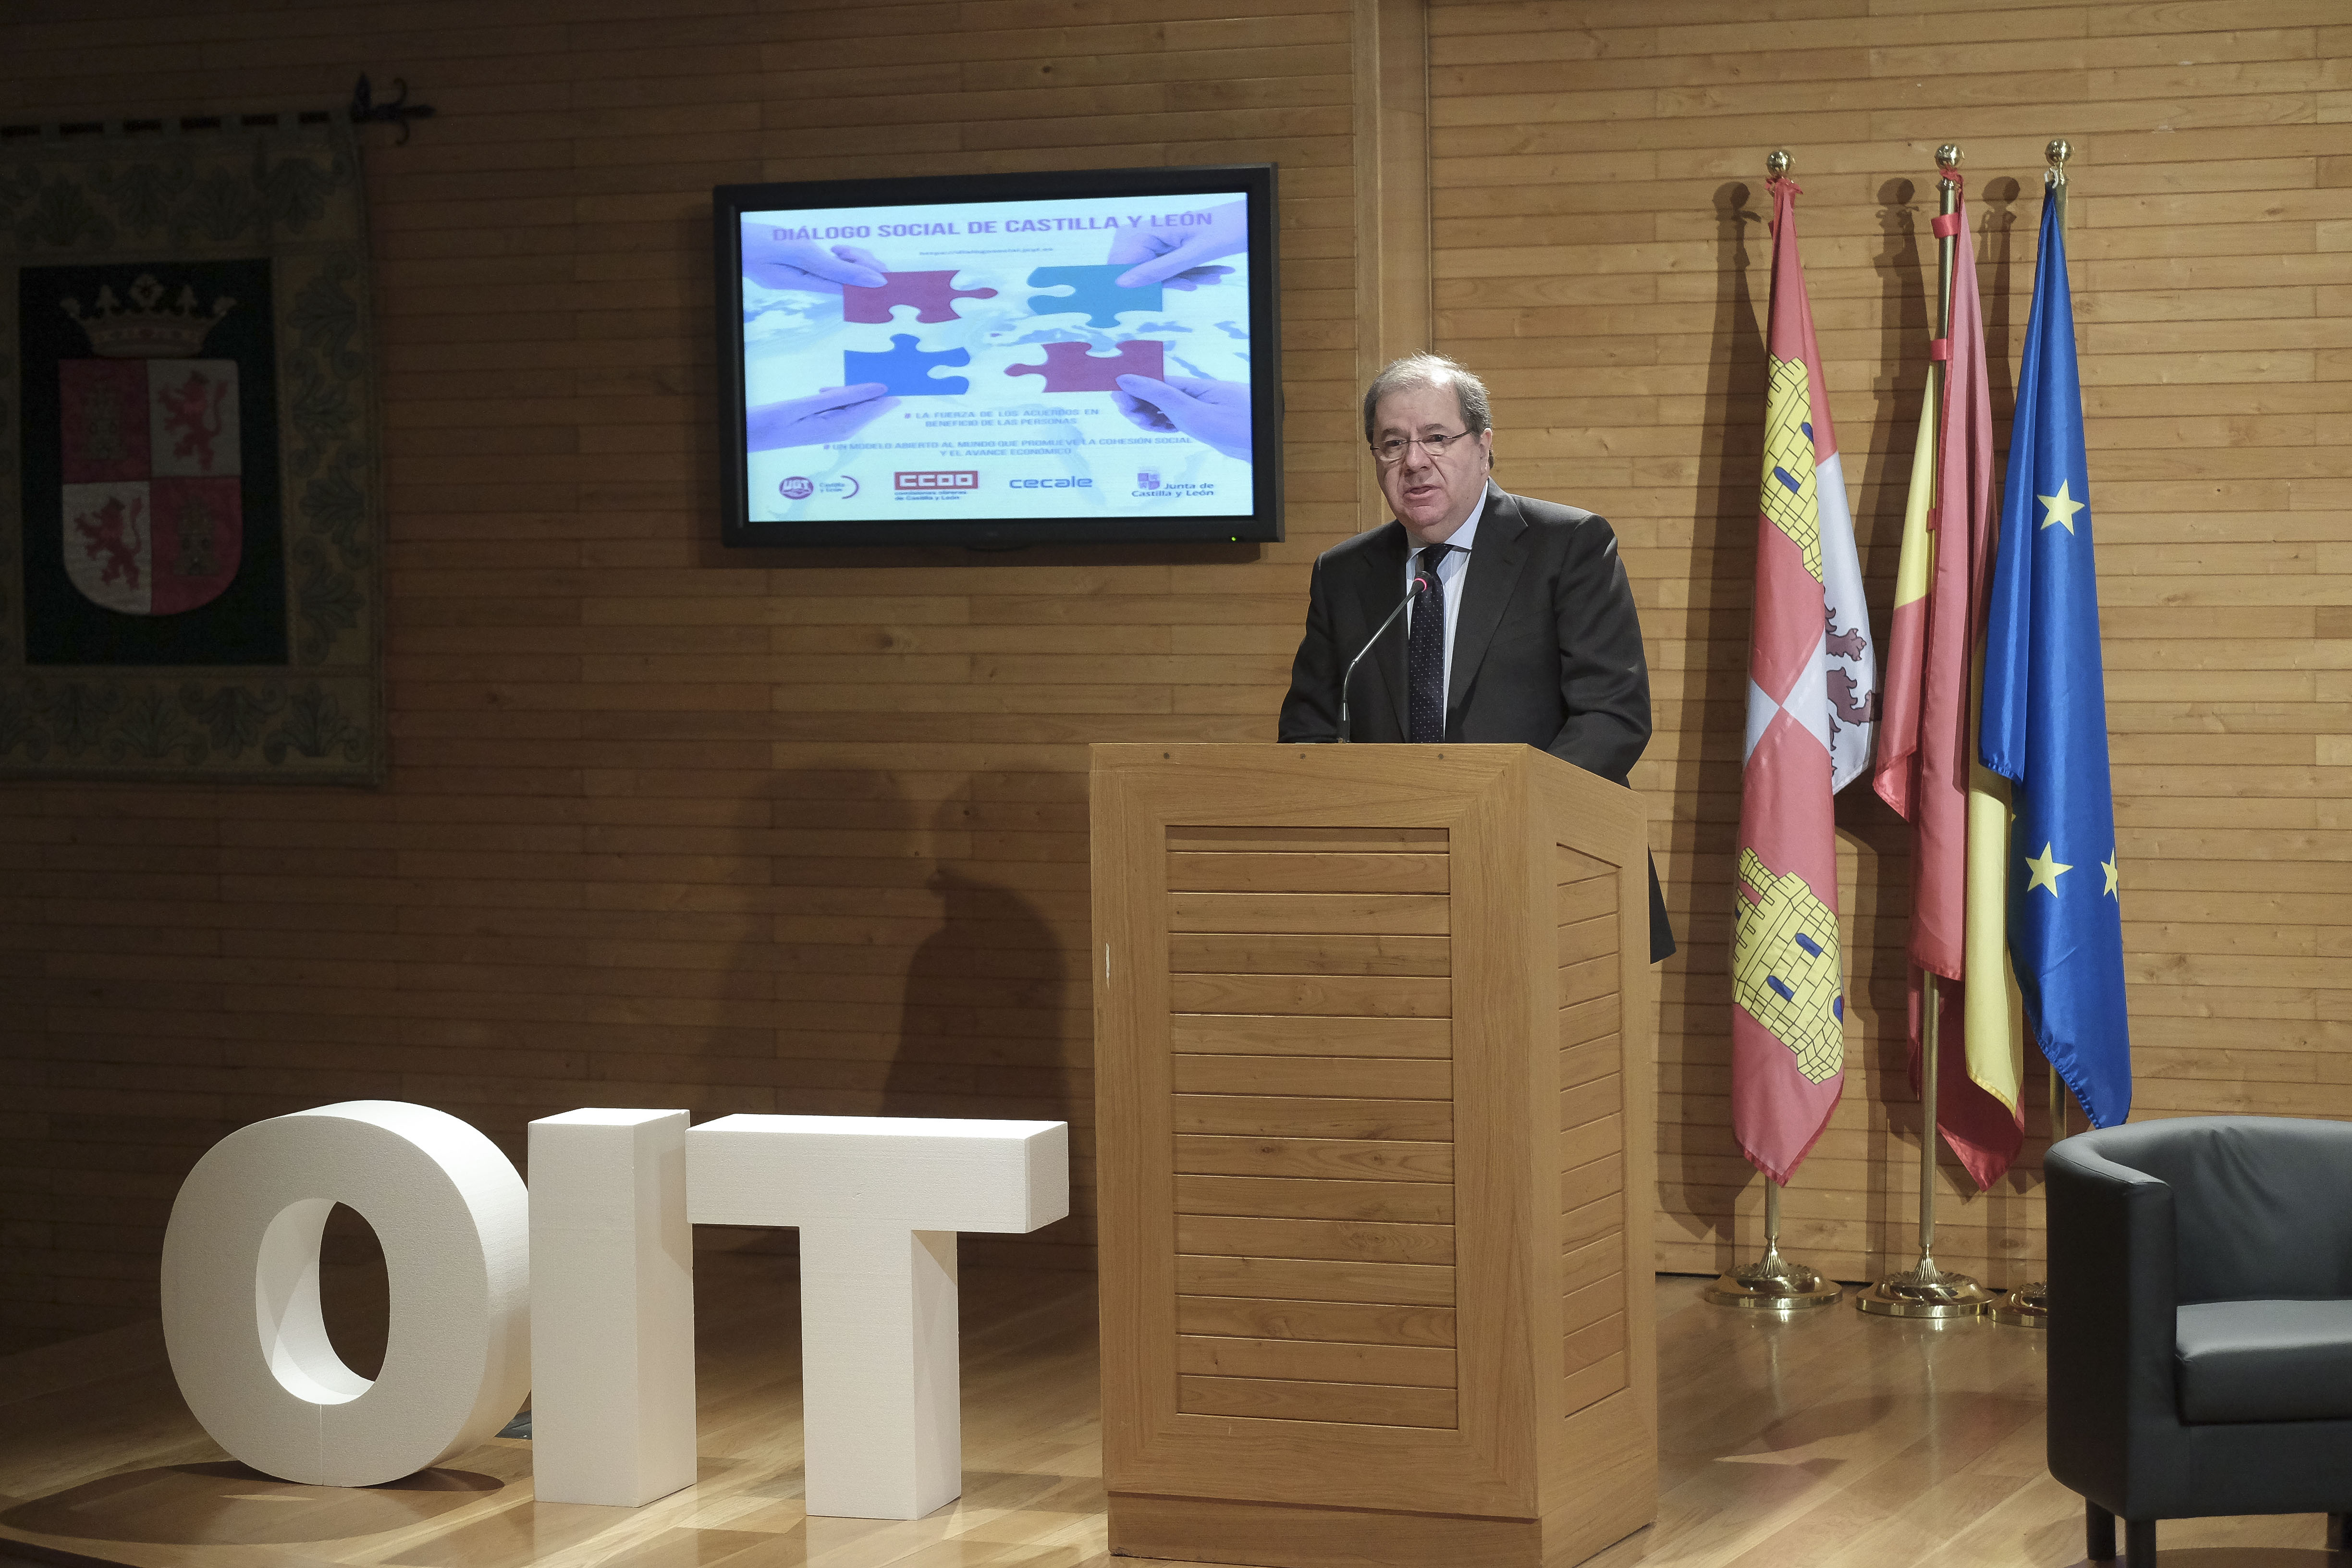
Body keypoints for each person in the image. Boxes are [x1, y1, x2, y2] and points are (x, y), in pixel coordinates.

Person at [1277, 354, 1673, 962]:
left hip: (1552, 874)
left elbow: (1613, 718)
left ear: (1484, 447)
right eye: (1392, 444)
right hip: (1397, 895)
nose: (1414, 461)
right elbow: (1307, 734)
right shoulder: (1345, 574)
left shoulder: (1568, 546)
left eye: (1437, 438)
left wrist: (1504, 824)